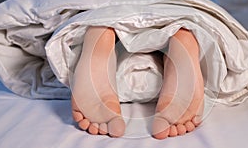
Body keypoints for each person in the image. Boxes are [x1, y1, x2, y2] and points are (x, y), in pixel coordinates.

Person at [71, 25, 204, 140]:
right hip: (168, 8)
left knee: (103, 17)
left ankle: (100, 37)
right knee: (178, 19)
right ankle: (183, 38)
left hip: (112, 2)